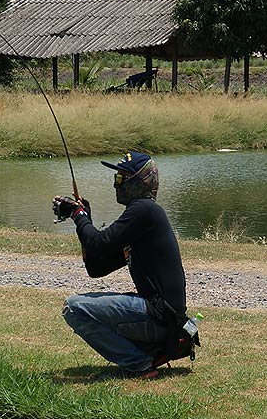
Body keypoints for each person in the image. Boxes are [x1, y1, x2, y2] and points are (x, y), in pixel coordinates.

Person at [52, 151, 191, 379]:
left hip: (160, 317)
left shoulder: (144, 210)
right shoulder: (142, 217)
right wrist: (85, 218)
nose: (115, 184)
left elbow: (97, 242)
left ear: (139, 181)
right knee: (81, 306)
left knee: (74, 308)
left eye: (120, 178)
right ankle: (147, 352)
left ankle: (138, 364)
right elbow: (96, 268)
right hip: (163, 318)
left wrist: (79, 215)